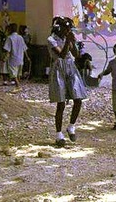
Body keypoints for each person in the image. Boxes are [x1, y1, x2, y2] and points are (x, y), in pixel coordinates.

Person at [48, 16, 87, 147]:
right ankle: (59, 134)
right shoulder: (51, 40)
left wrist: (73, 43)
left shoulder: (67, 38)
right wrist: (67, 42)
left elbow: (76, 55)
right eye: (66, 28)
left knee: (78, 99)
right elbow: (61, 55)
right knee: (61, 104)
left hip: (71, 68)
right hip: (59, 69)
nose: (68, 31)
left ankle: (71, 126)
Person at [2, 23, 29, 92]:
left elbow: (8, 50)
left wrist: (4, 58)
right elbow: (24, 48)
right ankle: (18, 85)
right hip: (20, 58)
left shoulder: (9, 38)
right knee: (18, 73)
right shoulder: (20, 37)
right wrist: (27, 57)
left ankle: (18, 86)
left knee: (13, 74)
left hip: (13, 59)